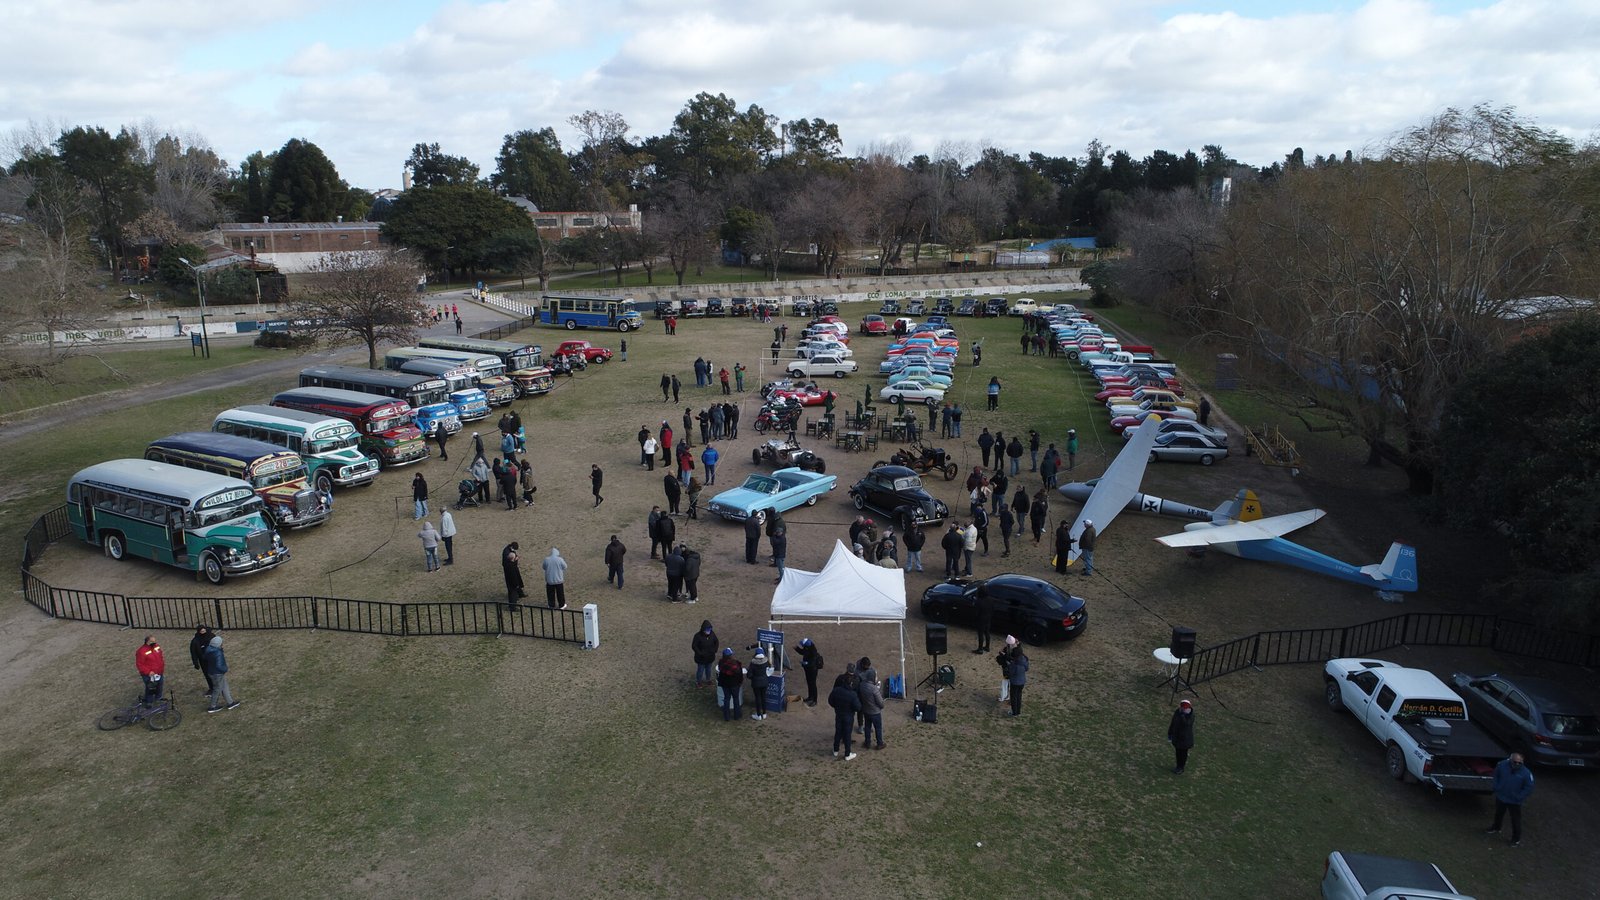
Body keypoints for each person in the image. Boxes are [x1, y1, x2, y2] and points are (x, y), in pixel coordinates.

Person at [1488, 752, 1534, 846]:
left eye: (1519, 763)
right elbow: (1496, 775)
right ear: (1510, 760)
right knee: (1498, 813)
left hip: (1514, 801)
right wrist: (1496, 786)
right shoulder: (1502, 765)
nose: (1517, 764)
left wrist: (1519, 796)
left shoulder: (1526, 773)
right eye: (1515, 762)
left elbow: (1529, 787)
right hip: (1501, 796)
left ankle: (1516, 839)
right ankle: (1496, 827)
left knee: (1515, 820)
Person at [202, 633, 239, 713]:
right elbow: (219, 665)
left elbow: (205, 658)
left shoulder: (208, 649)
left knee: (224, 686)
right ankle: (212, 706)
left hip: (212, 672)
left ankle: (230, 703)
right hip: (217, 673)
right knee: (217, 689)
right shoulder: (218, 653)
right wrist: (225, 669)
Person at [829, 673, 862, 760]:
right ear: (851, 683)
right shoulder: (852, 694)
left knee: (838, 732)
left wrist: (836, 707)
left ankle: (835, 750)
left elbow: (830, 701)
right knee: (847, 734)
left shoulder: (836, 690)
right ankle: (847, 754)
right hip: (848, 716)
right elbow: (858, 707)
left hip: (839, 714)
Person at [1167, 699, 1196, 774]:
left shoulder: (1190, 715)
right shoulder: (1178, 712)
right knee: (1178, 752)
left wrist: (1183, 716)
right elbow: (1173, 722)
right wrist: (1170, 733)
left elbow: (1187, 724)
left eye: (1185, 708)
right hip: (1177, 737)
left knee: (1183, 754)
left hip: (1185, 739)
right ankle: (1178, 766)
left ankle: (1181, 767)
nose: (1183, 709)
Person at [135, 635, 165, 707]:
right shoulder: (141, 651)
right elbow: (140, 664)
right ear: (147, 642)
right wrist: (148, 672)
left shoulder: (156, 647)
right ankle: (149, 701)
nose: (154, 642)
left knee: (159, 685)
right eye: (152, 641)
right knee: (150, 687)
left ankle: (158, 698)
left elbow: (160, 656)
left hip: (158, 671)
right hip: (149, 674)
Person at [859, 669, 885, 750]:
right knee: (878, 728)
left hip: (866, 710)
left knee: (867, 727)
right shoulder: (874, 689)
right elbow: (880, 702)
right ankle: (879, 743)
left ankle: (867, 742)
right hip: (875, 712)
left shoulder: (862, 685)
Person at [716, 648, 745, 721]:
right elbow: (740, 674)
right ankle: (737, 715)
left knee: (726, 699)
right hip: (734, 684)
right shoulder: (736, 664)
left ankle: (727, 716)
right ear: (731, 655)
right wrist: (740, 682)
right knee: (736, 699)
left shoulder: (721, 663)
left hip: (725, 684)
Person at [796, 638, 823, 706]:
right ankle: (810, 697)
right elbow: (803, 652)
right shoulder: (807, 647)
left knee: (813, 684)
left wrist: (804, 663)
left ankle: (815, 700)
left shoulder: (813, 652)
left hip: (812, 670)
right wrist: (797, 648)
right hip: (808, 669)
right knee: (809, 683)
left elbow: (811, 663)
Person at [189, 625, 215, 696]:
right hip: (203, 661)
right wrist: (195, 663)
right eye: (201, 631)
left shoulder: (211, 636)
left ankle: (217, 686)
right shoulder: (195, 641)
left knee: (215, 673)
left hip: (212, 658)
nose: (203, 632)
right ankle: (212, 688)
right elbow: (193, 652)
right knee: (207, 674)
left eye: (204, 631)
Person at [692, 621, 719, 687]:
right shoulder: (697, 636)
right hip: (701, 658)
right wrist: (700, 653)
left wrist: (715, 650)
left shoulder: (712, 634)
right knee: (700, 670)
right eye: (707, 629)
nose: (709, 631)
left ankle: (708, 680)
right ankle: (698, 682)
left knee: (708, 670)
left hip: (710, 657)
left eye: (710, 629)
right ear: (703, 629)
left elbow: (716, 641)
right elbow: (694, 646)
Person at [747, 649, 771, 720]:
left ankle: (758, 715)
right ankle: (764, 713)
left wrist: (753, 677)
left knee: (758, 698)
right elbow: (769, 669)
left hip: (756, 683)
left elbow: (749, 675)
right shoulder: (766, 662)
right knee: (763, 697)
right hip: (764, 682)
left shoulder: (753, 663)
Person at [1007, 645, 1029, 717]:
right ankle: (1018, 711)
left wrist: (1009, 665)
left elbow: (1011, 673)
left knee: (1014, 697)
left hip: (1015, 682)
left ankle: (1014, 712)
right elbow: (1026, 668)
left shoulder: (1014, 664)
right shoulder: (1024, 660)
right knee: (1019, 696)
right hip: (1022, 681)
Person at [502, 542, 526, 607]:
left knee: (517, 581)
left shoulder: (509, 551)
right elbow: (508, 561)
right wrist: (515, 560)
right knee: (514, 587)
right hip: (511, 570)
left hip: (513, 568)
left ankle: (520, 593)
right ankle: (513, 605)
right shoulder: (506, 552)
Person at [996, 638, 1018, 704]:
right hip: (1010, 670)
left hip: (1008, 670)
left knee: (1005, 684)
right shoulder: (1015, 650)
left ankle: (1004, 697)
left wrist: (1003, 655)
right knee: (1009, 684)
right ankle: (1007, 696)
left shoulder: (1012, 651)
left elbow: (1010, 659)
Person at [973, 589, 993, 654]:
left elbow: (976, 612)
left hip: (981, 619)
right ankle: (987, 647)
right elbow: (992, 608)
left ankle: (980, 649)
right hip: (988, 618)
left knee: (980, 634)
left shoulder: (978, 601)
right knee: (987, 632)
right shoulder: (990, 599)